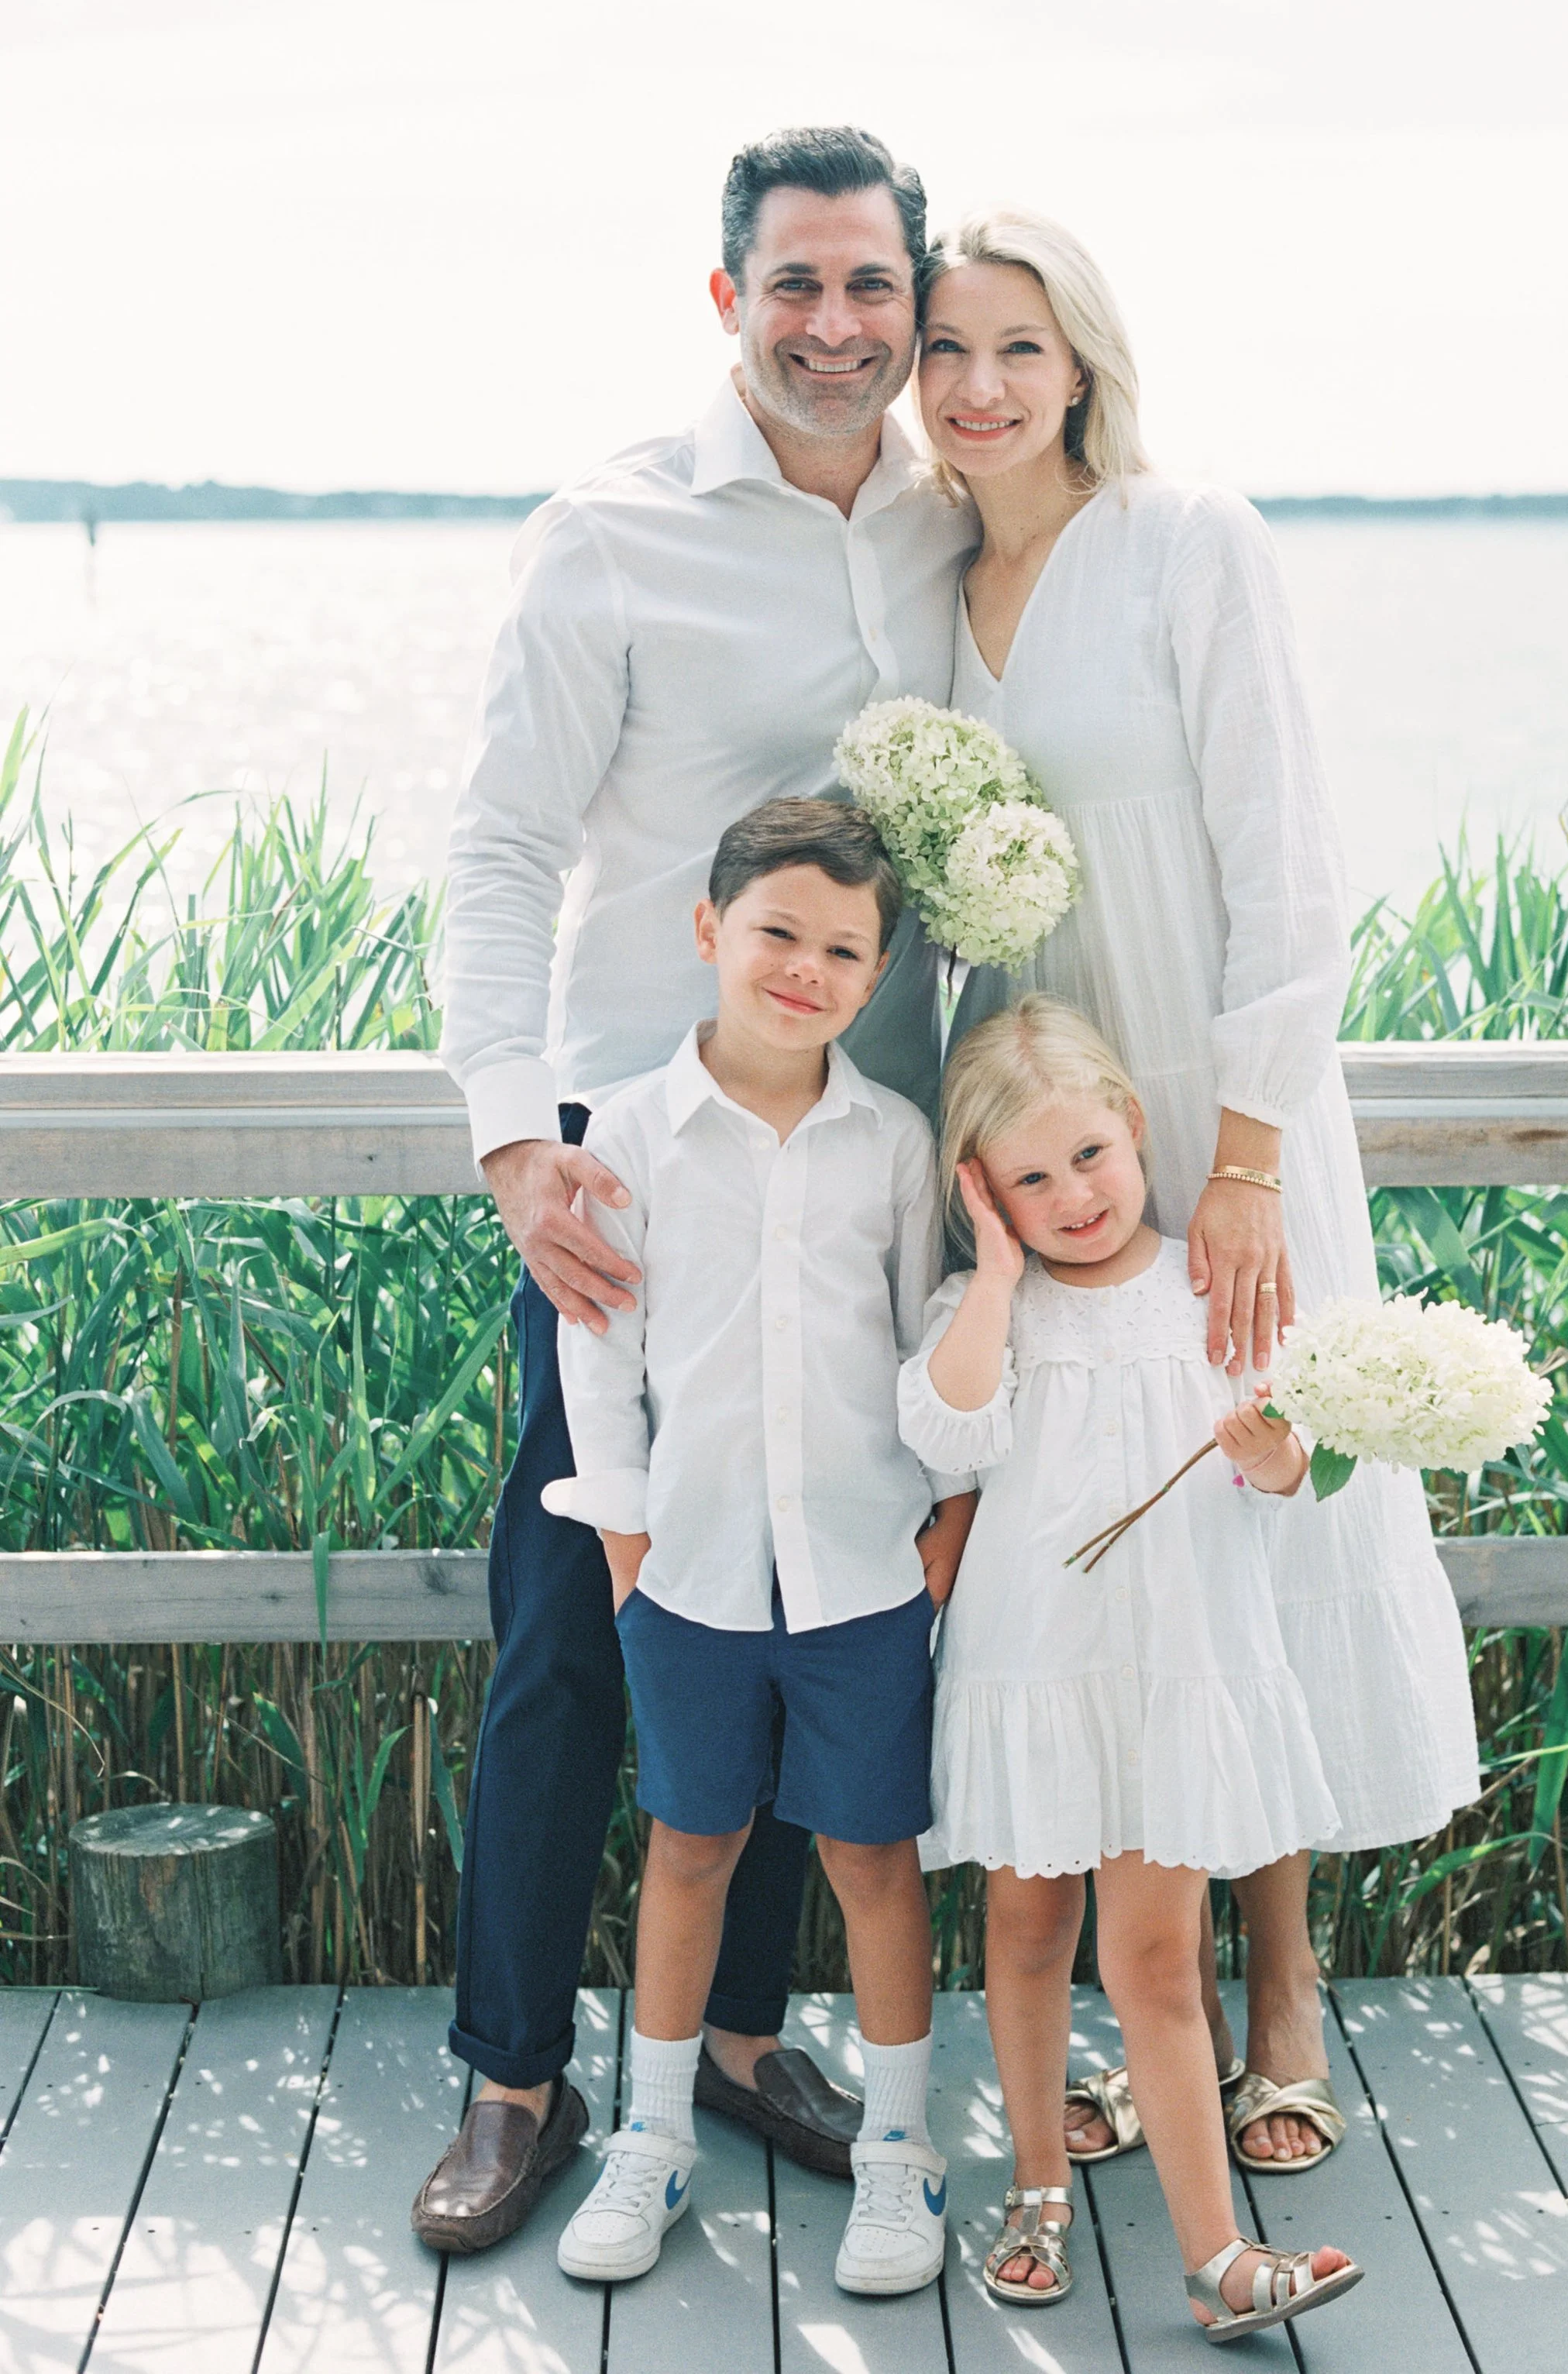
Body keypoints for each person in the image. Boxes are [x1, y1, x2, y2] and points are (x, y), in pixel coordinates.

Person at [414, 125, 976, 2255]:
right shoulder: (613, 533)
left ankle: (739, 2052)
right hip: (627, 1161)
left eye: (871, 288)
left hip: (864, 1176)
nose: (837, 328)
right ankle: (514, 2081)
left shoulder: (957, 524)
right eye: (795, 285)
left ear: (914, 303)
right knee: (579, 1625)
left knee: (814, 1600)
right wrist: (508, 1137)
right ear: (725, 299)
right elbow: (495, 850)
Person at [921, 209, 1480, 2176]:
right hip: (1053, 1121)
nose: (976, 387)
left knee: (1256, 1515)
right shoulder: (928, 577)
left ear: (1080, 359)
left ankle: (1279, 1998)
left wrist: (1241, 1154)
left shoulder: (1186, 541)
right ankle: (1083, 2014)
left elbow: (1285, 854)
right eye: (943, 352)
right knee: (1079, 1524)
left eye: (1015, 345)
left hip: (1217, 1114)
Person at [541, 800, 968, 2292]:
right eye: (779, 931)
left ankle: (901, 2156)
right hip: (693, 1566)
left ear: (880, 971)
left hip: (862, 1563)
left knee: (871, 1853)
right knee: (690, 1843)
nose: (806, 968)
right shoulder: (627, 1132)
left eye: (845, 947)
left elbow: (926, 1343)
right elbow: (601, 1347)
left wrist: (951, 1518)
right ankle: (651, 2140)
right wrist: (631, 1533)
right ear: (710, 929)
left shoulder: (895, 1142)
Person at [899, 996, 1361, 2341]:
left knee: (1156, 1961)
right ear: (986, 1196)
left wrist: (1276, 1450)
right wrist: (992, 1271)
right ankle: (1039, 2183)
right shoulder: (989, 1309)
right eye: (1030, 1180)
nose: (1074, 1195)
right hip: (1034, 1672)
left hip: (1175, 1668)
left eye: (1089, 1156)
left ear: (1137, 1127)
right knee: (1029, 1931)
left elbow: (1294, 1467)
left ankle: (1218, 2254)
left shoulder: (1210, 1286)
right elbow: (946, 1422)